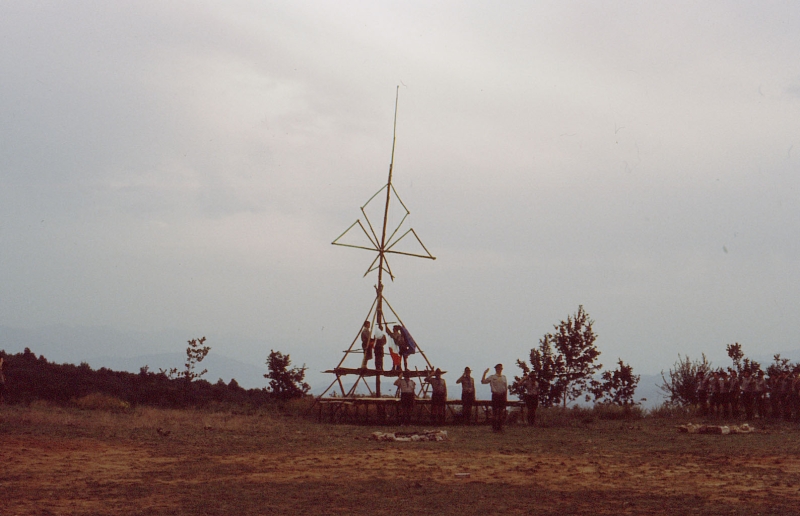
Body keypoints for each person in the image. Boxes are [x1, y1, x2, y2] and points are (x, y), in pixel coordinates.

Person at [482, 364, 508, 432]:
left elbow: (505, 387)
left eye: (501, 368)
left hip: (502, 395)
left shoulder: (504, 377)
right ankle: (494, 427)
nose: (500, 370)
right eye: (498, 368)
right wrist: (484, 373)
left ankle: (500, 427)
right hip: (495, 395)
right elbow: (483, 382)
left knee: (501, 412)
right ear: (496, 369)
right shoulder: (492, 377)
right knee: (495, 412)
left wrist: (505, 397)